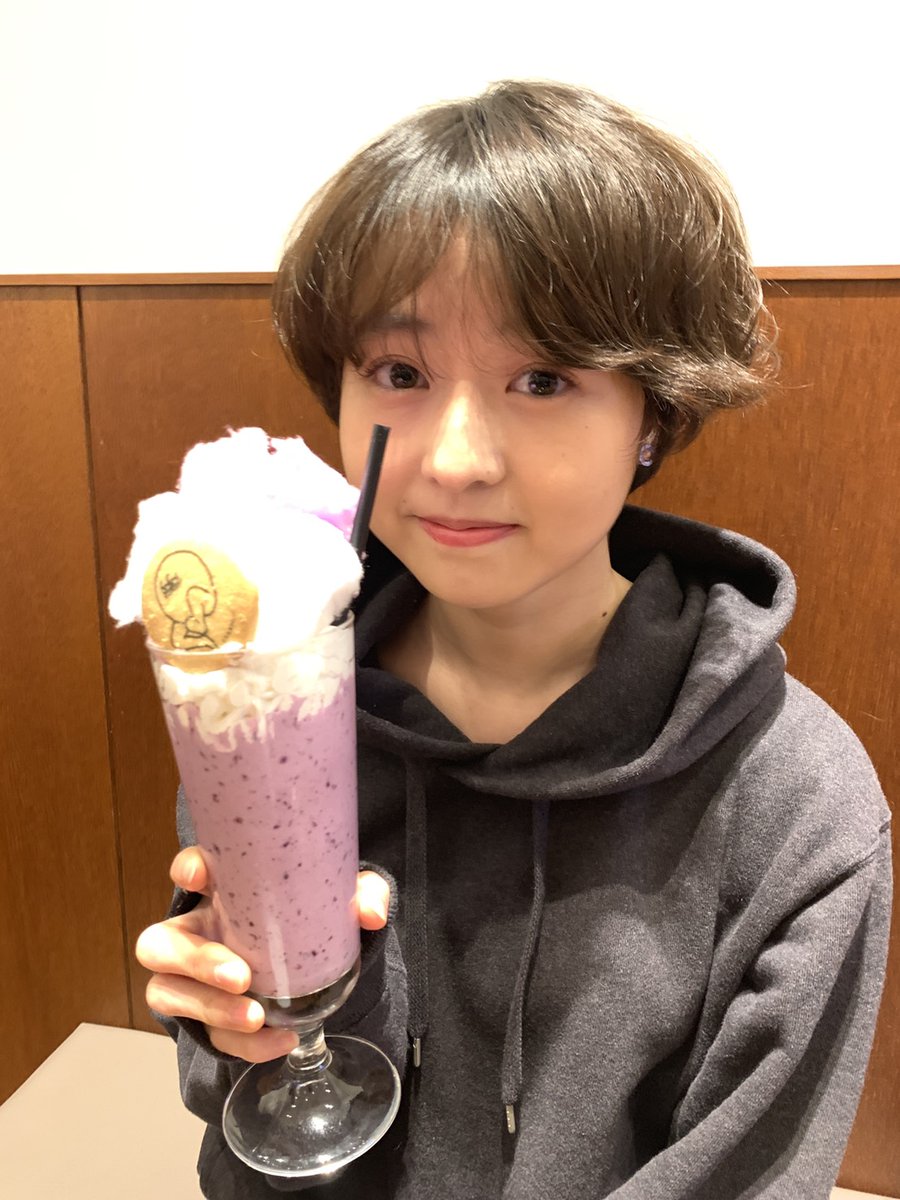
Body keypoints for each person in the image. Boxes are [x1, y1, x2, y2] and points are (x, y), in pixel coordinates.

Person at [135, 80, 892, 1199]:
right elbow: (246, 1110)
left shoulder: (794, 804)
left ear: (654, 415)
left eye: (542, 379)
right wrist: (242, 1022)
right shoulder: (272, 698)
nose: (455, 459)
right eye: (399, 373)